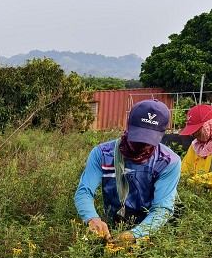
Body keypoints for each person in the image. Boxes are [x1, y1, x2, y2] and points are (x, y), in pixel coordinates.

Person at [74, 99, 182, 245]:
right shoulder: (102, 153)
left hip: (150, 231)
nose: (141, 145)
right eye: (138, 136)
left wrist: (135, 235)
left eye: (148, 140)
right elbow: (84, 192)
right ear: (128, 125)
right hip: (112, 223)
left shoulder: (168, 162)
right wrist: (92, 219)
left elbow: (162, 208)